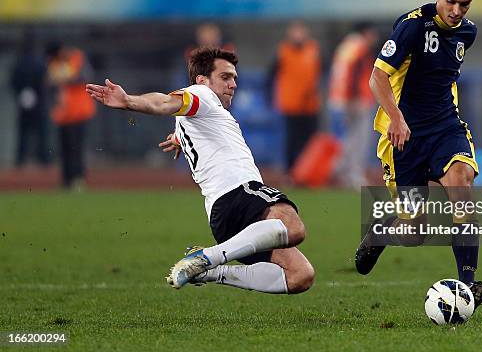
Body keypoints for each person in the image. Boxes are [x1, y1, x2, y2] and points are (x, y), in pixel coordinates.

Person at [86, 47, 315, 294]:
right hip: (239, 192)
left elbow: (186, 121)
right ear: (202, 80)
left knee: (300, 275)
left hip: (222, 215)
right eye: (226, 77)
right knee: (292, 225)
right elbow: (163, 102)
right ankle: (207, 257)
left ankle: (208, 271)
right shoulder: (201, 94)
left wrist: (179, 139)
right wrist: (129, 101)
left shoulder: (197, 116)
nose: (233, 84)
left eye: (235, 78)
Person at [354, 0, 482, 309]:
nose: (457, 11)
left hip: (446, 127)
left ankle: (468, 286)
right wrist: (397, 119)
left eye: (465, 4)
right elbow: (377, 78)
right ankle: (379, 233)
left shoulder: (468, 33)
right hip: (405, 136)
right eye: (451, 1)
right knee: (414, 230)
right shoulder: (411, 27)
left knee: (462, 186)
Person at [328, 22, 379, 189]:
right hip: (354, 100)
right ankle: (352, 174)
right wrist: (355, 98)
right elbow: (355, 74)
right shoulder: (360, 47)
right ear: (366, 33)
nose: (374, 38)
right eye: (372, 34)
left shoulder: (346, 46)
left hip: (340, 98)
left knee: (349, 137)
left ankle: (341, 170)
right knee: (359, 139)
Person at [269, 21, 321, 171]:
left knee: (310, 141)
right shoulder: (283, 51)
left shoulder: (314, 49)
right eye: (295, 32)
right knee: (292, 140)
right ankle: (290, 172)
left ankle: (309, 171)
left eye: (301, 31)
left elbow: (321, 73)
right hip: (291, 104)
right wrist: (271, 96)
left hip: (311, 104)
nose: (298, 35)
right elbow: (271, 74)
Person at [47, 42, 96, 190]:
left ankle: (78, 179)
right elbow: (50, 83)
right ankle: (66, 180)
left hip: (80, 112)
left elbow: (85, 77)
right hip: (63, 114)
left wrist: (67, 79)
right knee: (65, 148)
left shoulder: (78, 58)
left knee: (77, 147)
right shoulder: (54, 63)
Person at [10, 31, 50, 167]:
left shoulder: (19, 62)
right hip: (38, 102)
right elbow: (45, 82)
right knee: (40, 133)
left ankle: (20, 161)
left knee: (24, 133)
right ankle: (43, 160)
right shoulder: (39, 62)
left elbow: (13, 82)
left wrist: (21, 94)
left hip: (25, 102)